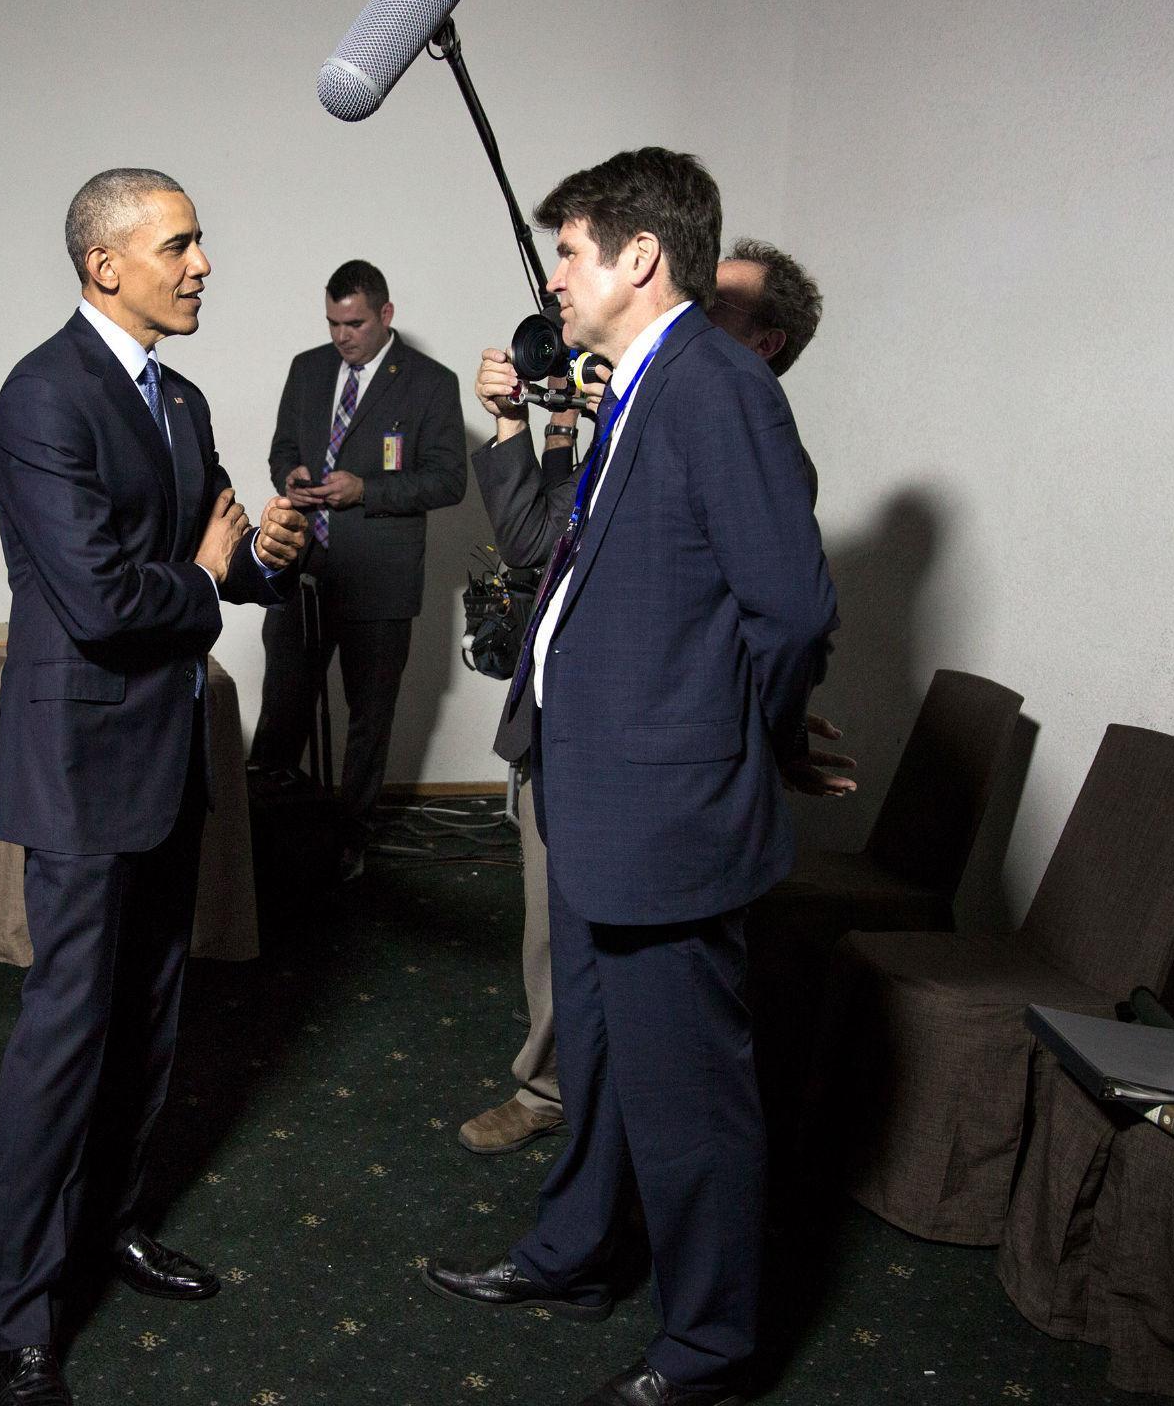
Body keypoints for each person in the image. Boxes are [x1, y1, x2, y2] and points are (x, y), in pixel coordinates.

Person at [422, 148, 839, 1406]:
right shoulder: (640, 384)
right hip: (594, 787)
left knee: (690, 1098)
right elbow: (587, 563)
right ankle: (573, 1256)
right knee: (598, 1063)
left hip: (666, 813)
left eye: (568, 249)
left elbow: (791, 608)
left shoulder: (717, 388)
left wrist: (737, 748)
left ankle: (709, 1350)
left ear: (637, 258)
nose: (552, 275)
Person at [0, 167, 306, 1406]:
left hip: (165, 762)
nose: (203, 263)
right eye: (179, 244)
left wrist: (266, 554)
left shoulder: (181, 397)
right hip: (76, 774)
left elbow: (216, 554)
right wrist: (214, 573)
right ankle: (16, 1318)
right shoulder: (40, 398)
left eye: (201, 242)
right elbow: (110, 599)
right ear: (105, 264)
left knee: (150, 1026)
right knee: (63, 1046)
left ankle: (108, 1227)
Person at [457, 238, 853, 1157]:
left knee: (669, 1040)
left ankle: (586, 1128)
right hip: (573, 748)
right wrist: (524, 426)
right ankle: (577, 1143)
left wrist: (770, 730)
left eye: (718, 310)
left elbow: (785, 619)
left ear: (767, 342)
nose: (684, 318)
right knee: (565, 956)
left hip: (655, 782)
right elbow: (531, 545)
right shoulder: (634, 417)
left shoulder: (738, 429)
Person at [249, 260, 467, 884]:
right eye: (333, 322)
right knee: (283, 703)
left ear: (385, 316)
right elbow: (282, 451)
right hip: (303, 570)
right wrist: (289, 476)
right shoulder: (307, 368)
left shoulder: (429, 382)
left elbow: (449, 480)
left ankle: (350, 839)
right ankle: (265, 831)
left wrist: (366, 489)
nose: (342, 336)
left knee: (369, 719)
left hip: (381, 580)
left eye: (355, 323)